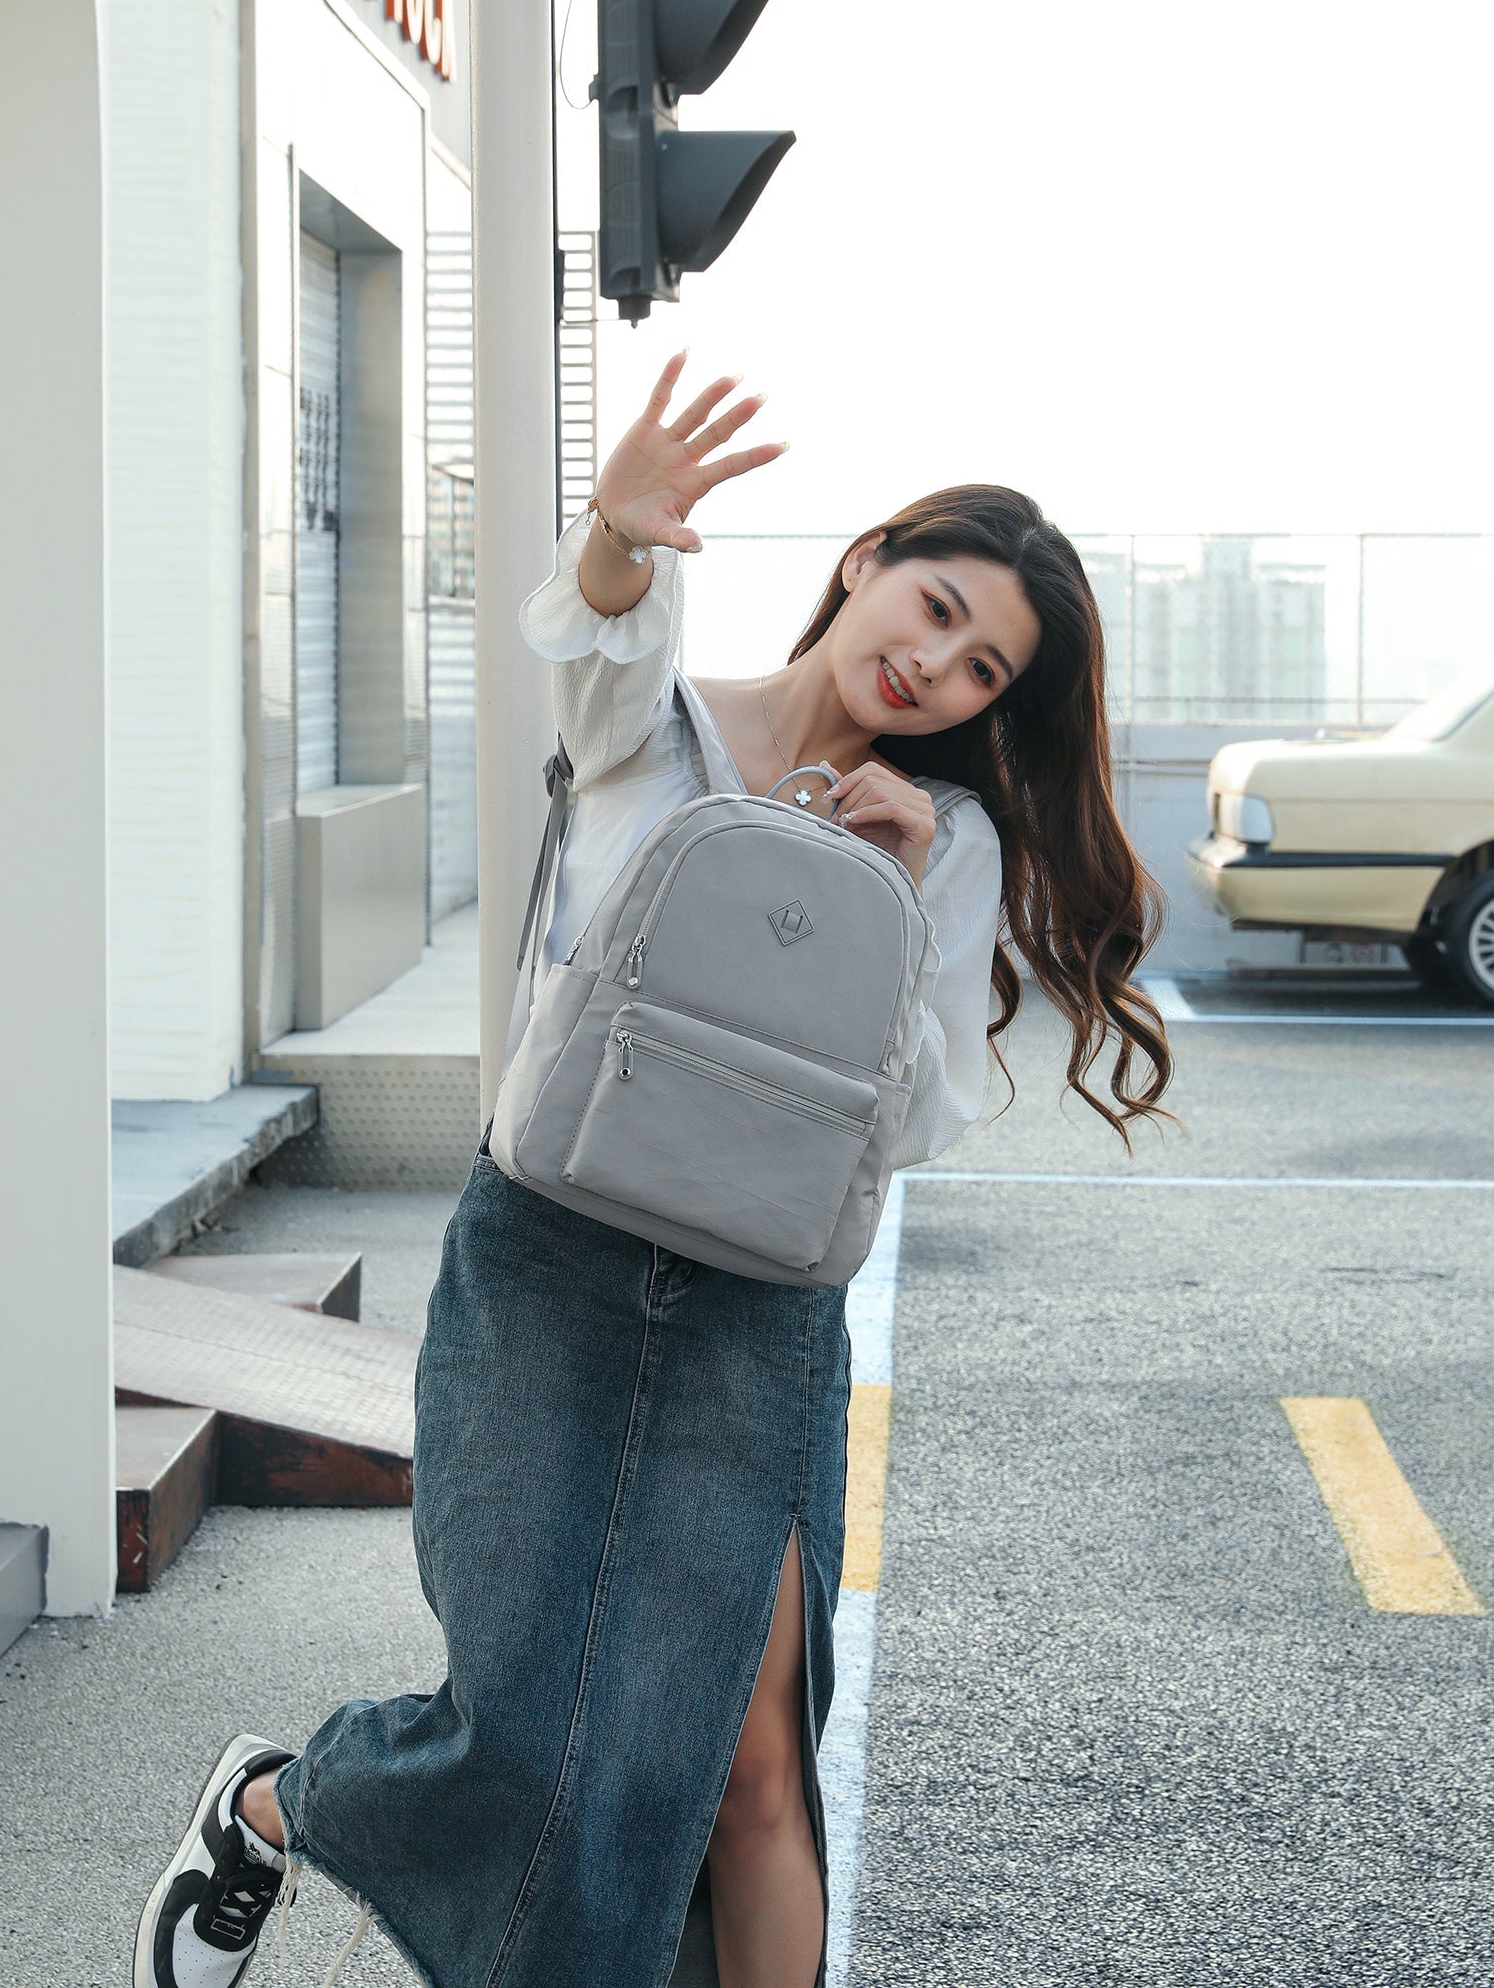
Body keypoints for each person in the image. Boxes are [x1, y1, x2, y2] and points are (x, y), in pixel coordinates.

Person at [134, 352, 1172, 1988]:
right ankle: (276, 1805)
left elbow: (915, 1117)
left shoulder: (947, 838)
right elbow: (599, 631)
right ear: (868, 561)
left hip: (760, 1302)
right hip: (548, 1262)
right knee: (526, 1729)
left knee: (750, 1770)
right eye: (936, 606)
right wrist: (619, 532)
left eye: (983, 667)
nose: (936, 665)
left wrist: (898, 900)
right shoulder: (658, 726)